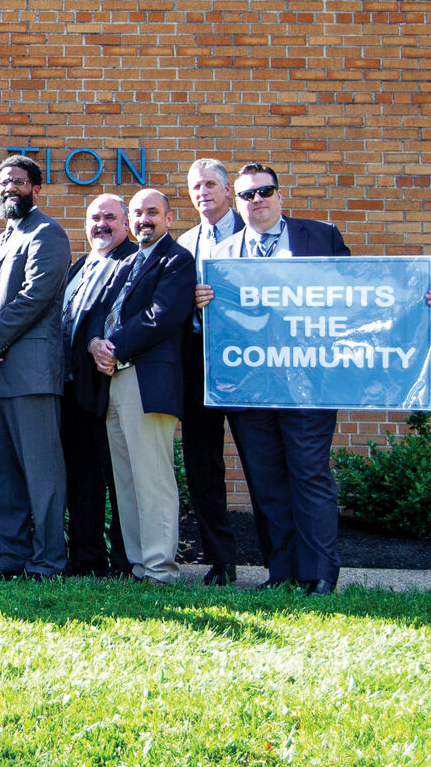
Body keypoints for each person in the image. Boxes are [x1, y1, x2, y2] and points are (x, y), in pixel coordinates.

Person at [197, 164, 349, 596]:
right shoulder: (221, 257)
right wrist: (200, 303)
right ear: (236, 201)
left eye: (265, 191)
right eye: (248, 195)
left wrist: (417, 294)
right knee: (265, 481)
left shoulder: (320, 237)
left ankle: (320, 574)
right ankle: (280, 571)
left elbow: (362, 293)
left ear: (280, 195)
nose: (257, 200)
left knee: (309, 474)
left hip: (310, 382)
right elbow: (212, 325)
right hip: (249, 386)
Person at [83, 189, 195, 584]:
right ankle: (136, 565)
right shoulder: (128, 261)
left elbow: (161, 316)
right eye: (138, 213)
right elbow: (100, 311)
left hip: (147, 380)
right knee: (126, 478)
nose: (144, 220)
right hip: (114, 378)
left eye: (153, 212)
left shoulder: (177, 260)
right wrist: (95, 342)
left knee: (152, 477)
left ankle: (161, 567)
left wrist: (112, 346)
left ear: (168, 217)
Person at [0, 155, 70, 580]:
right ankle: (10, 560)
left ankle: (47, 562)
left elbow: (35, 297)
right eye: (4, 181)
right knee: (0, 477)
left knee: (41, 475)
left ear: (36, 189)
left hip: (28, 375)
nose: (10, 187)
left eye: (20, 182)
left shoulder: (48, 233)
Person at [177, 158, 261, 585]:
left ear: (229, 191)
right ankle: (220, 561)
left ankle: (277, 559)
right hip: (196, 357)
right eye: (196, 187)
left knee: (258, 459)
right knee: (202, 463)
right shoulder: (185, 243)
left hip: (247, 360)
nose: (203, 192)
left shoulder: (254, 236)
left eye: (211, 184)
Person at [60, 193, 135, 578]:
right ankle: (86, 558)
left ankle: (125, 559)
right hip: (73, 389)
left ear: (125, 223)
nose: (101, 224)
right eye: (94, 217)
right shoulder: (80, 265)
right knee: (82, 477)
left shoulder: (133, 260)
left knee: (119, 475)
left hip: (111, 383)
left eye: (110, 216)